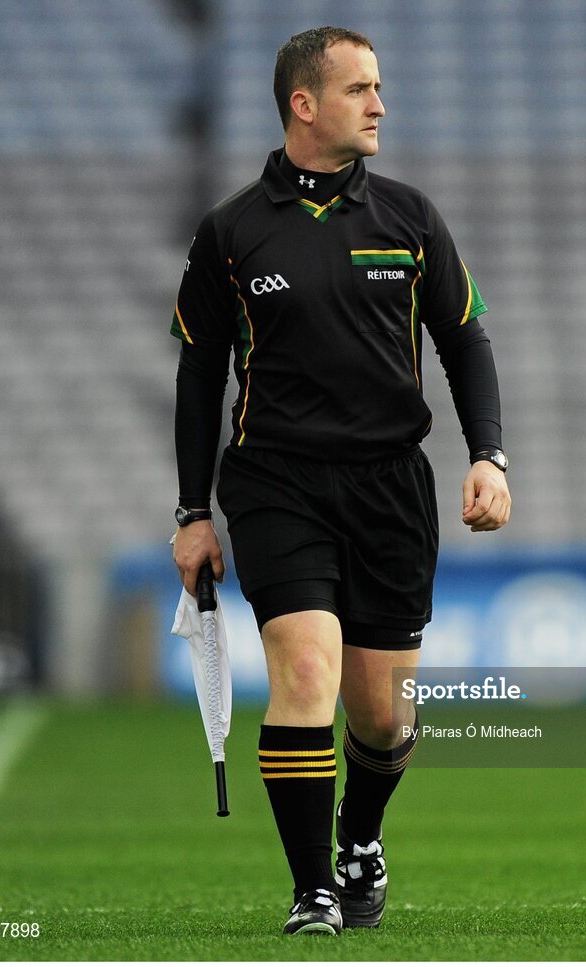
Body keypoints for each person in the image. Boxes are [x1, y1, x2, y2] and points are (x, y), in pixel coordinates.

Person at [170, 25, 510, 935]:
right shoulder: (231, 232)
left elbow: (465, 336)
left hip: (391, 486)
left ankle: (362, 836)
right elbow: (199, 373)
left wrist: (489, 453)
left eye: (380, 87)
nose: (380, 104)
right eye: (362, 88)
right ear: (303, 103)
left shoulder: (410, 217)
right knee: (307, 669)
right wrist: (191, 511)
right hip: (276, 483)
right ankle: (312, 886)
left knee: (383, 714)